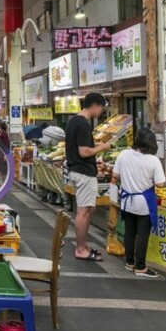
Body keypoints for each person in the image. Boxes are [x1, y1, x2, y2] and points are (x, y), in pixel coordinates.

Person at [112, 129, 164, 278]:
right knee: (142, 235)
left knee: (129, 232)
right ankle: (140, 266)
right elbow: (160, 184)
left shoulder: (124, 154)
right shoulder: (153, 160)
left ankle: (129, 262)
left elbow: (115, 175)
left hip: (127, 201)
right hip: (144, 203)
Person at [65, 92, 110, 262]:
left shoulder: (72, 121)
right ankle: (81, 249)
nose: (101, 112)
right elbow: (84, 152)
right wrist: (102, 147)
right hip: (83, 172)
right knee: (84, 212)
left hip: (78, 170)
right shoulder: (83, 124)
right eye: (101, 108)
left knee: (89, 209)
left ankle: (83, 245)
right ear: (95, 105)